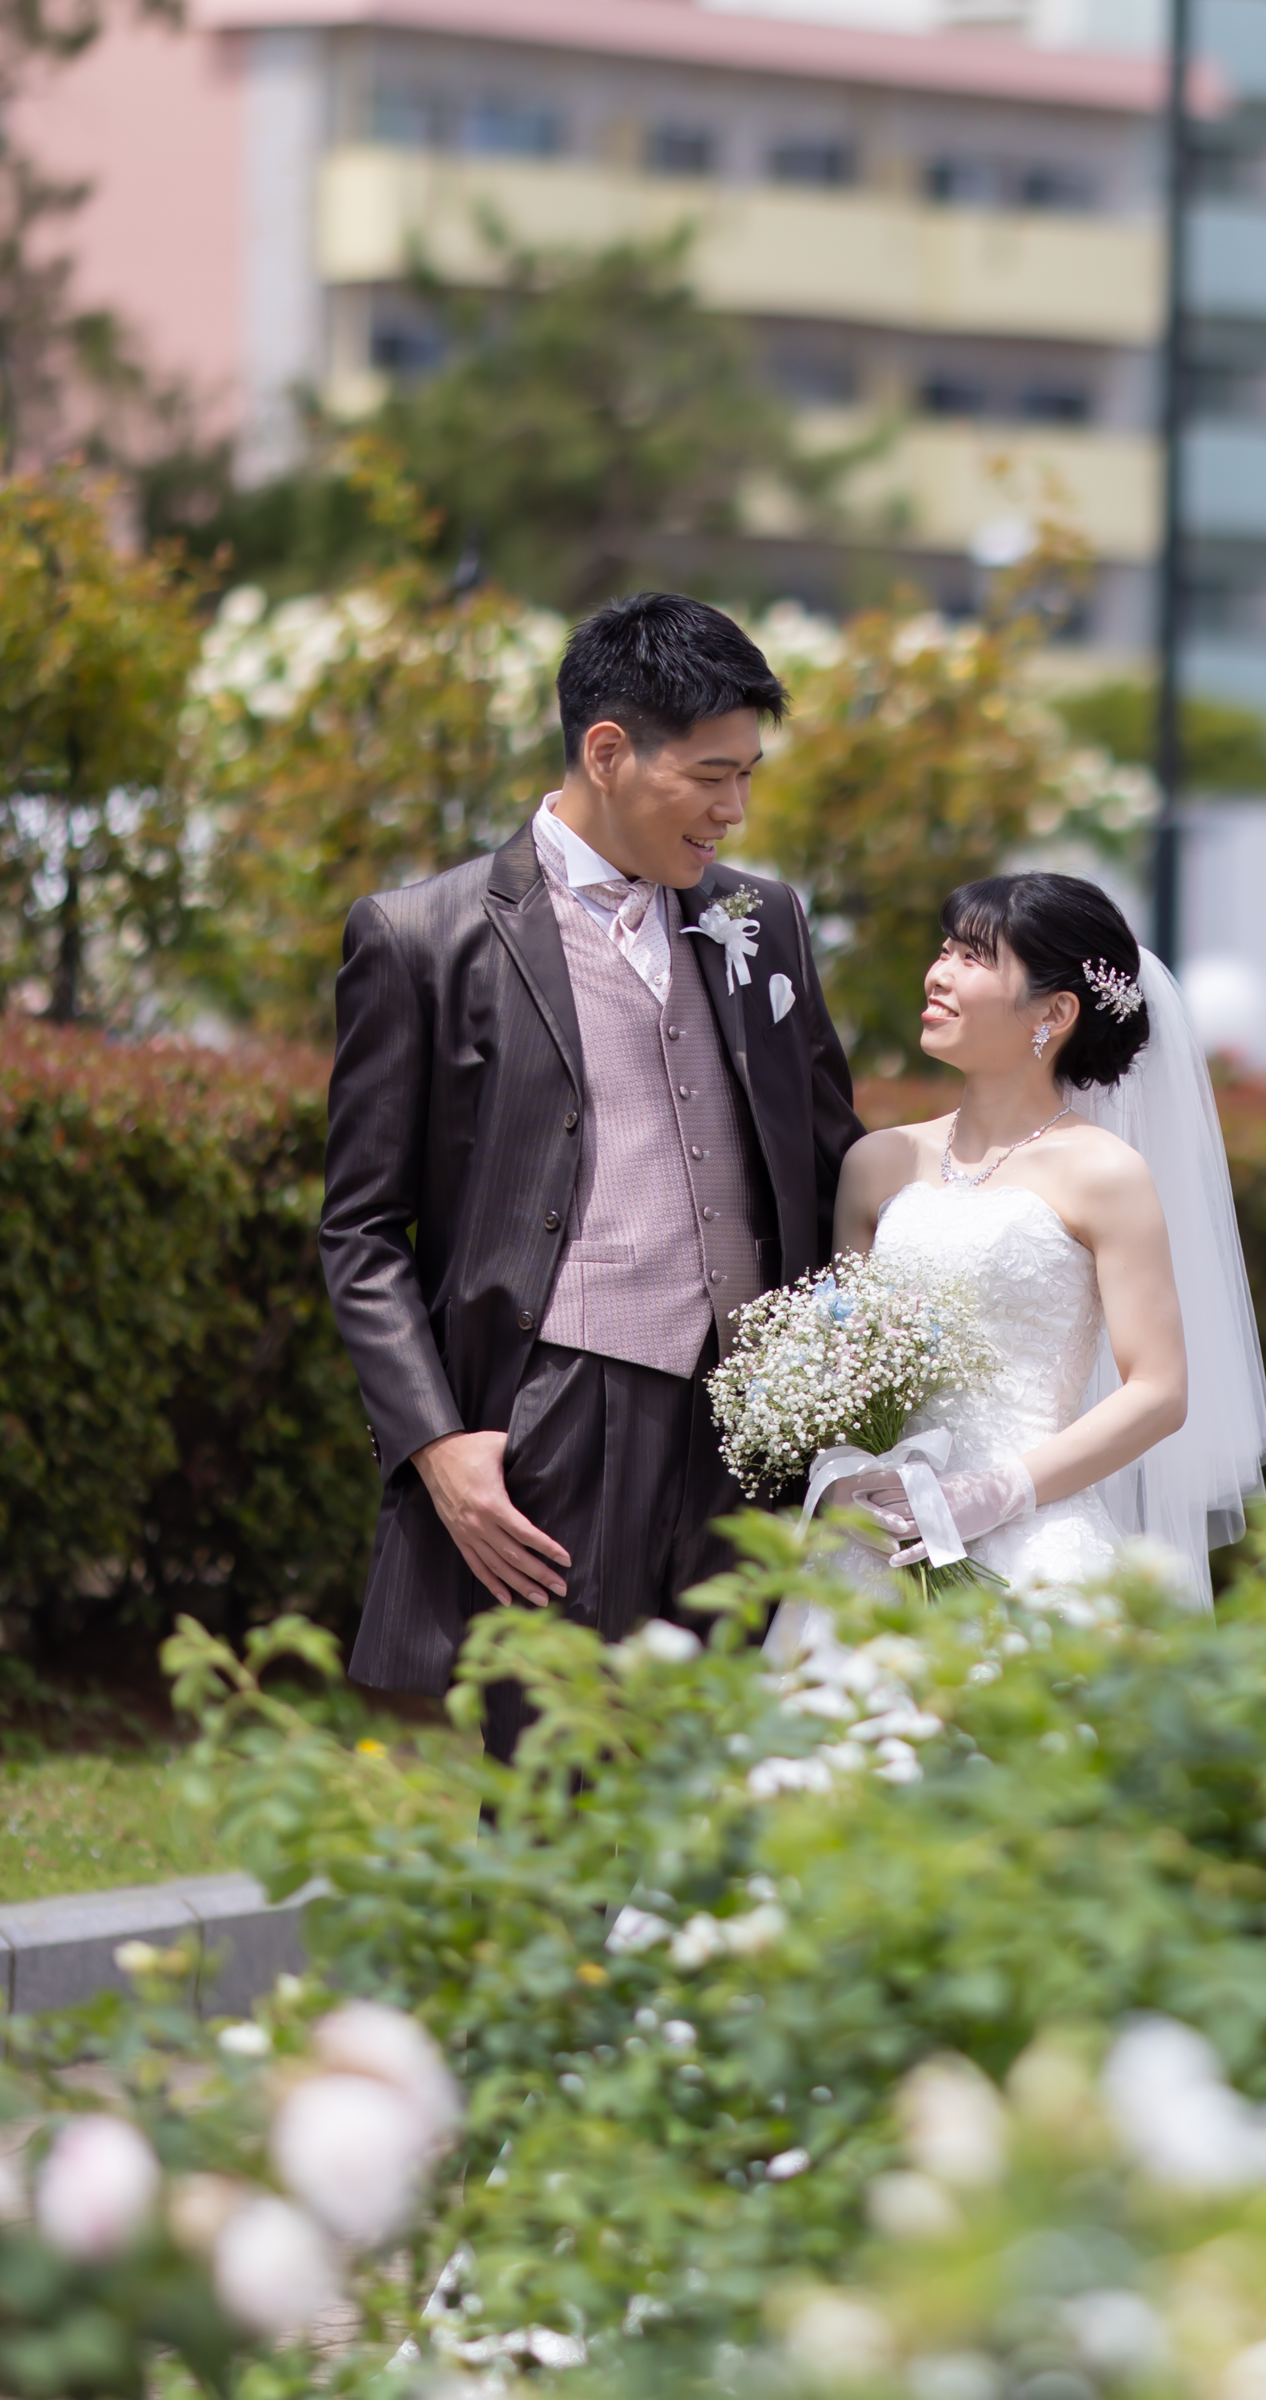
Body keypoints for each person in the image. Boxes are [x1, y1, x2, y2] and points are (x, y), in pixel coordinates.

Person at [320, 595, 861, 1756]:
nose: (735, 810)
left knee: (729, 1778)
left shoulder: (763, 921)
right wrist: (433, 1439)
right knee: (562, 1780)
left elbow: (830, 1157)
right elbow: (361, 1230)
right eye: (712, 776)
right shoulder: (423, 936)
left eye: (749, 776)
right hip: (559, 1411)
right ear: (607, 752)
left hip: (753, 1420)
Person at [811, 872, 1266, 1613]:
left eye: (974, 958)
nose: (938, 974)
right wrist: (838, 1477)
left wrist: (989, 1496)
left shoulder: (1104, 1173)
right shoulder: (877, 1162)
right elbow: (837, 1360)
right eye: (944, 950)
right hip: (876, 1543)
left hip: (1033, 1546)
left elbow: (1159, 1390)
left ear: (1054, 1012)